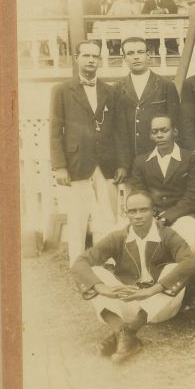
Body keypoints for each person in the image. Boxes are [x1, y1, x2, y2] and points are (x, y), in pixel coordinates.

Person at [70, 189, 195, 359]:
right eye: (132, 211)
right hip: (126, 305)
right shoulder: (118, 237)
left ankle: (129, 331)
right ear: (126, 213)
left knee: (173, 269)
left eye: (143, 210)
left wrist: (151, 290)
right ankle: (122, 332)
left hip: (159, 308)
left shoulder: (167, 235)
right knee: (94, 272)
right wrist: (103, 288)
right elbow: (79, 263)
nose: (138, 216)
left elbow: (190, 262)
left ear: (153, 212)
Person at [49, 40, 122, 258]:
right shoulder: (62, 90)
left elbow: (118, 130)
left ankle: (104, 261)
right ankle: (77, 263)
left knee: (108, 214)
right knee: (78, 215)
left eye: (95, 56)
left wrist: (121, 164)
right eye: (86, 55)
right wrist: (60, 166)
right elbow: (55, 131)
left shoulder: (110, 91)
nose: (91, 60)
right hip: (77, 160)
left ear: (100, 60)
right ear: (77, 58)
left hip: (106, 161)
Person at [126, 114, 195, 249]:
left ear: (175, 132)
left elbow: (193, 197)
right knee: (124, 235)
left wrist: (167, 217)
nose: (159, 135)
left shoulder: (191, 158)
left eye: (164, 130)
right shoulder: (141, 161)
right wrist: (152, 215)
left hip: (185, 215)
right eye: (154, 132)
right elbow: (140, 194)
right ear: (150, 135)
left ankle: (182, 270)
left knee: (184, 240)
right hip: (151, 215)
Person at [112, 35, 180, 166]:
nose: (136, 57)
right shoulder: (117, 88)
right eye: (130, 53)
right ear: (124, 58)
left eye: (140, 52)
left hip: (160, 156)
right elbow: (117, 130)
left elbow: (175, 123)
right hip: (130, 159)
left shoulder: (166, 85)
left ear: (148, 55)